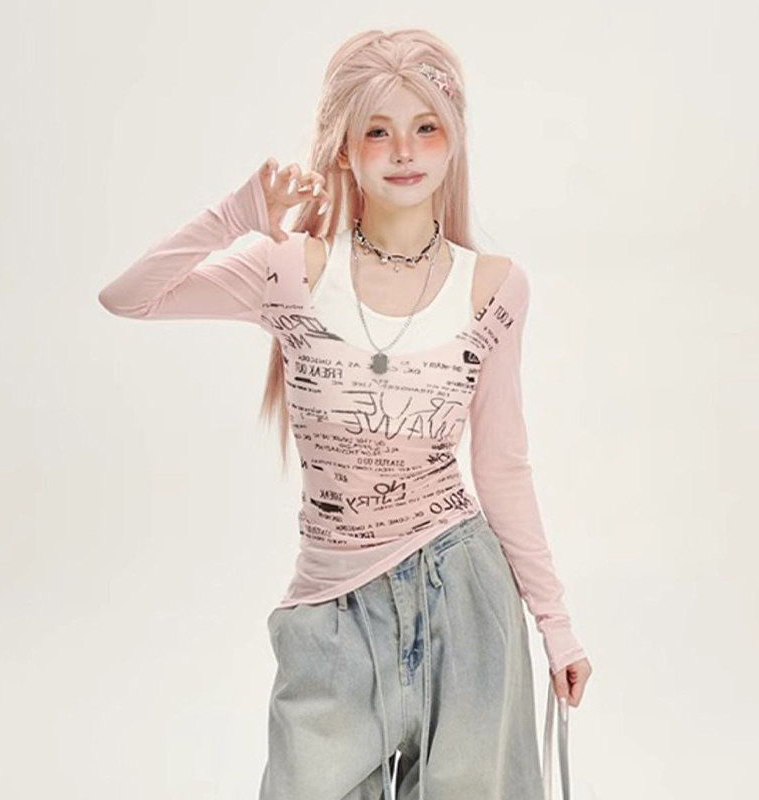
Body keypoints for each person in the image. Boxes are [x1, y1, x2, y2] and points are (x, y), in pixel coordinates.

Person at [98, 27, 592, 800]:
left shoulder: (495, 287)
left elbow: (501, 464)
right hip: (331, 616)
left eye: (425, 127)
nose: (405, 152)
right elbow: (128, 298)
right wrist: (236, 214)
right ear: (344, 147)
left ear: (454, 138)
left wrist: (554, 623)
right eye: (378, 131)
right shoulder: (287, 271)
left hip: (464, 600)